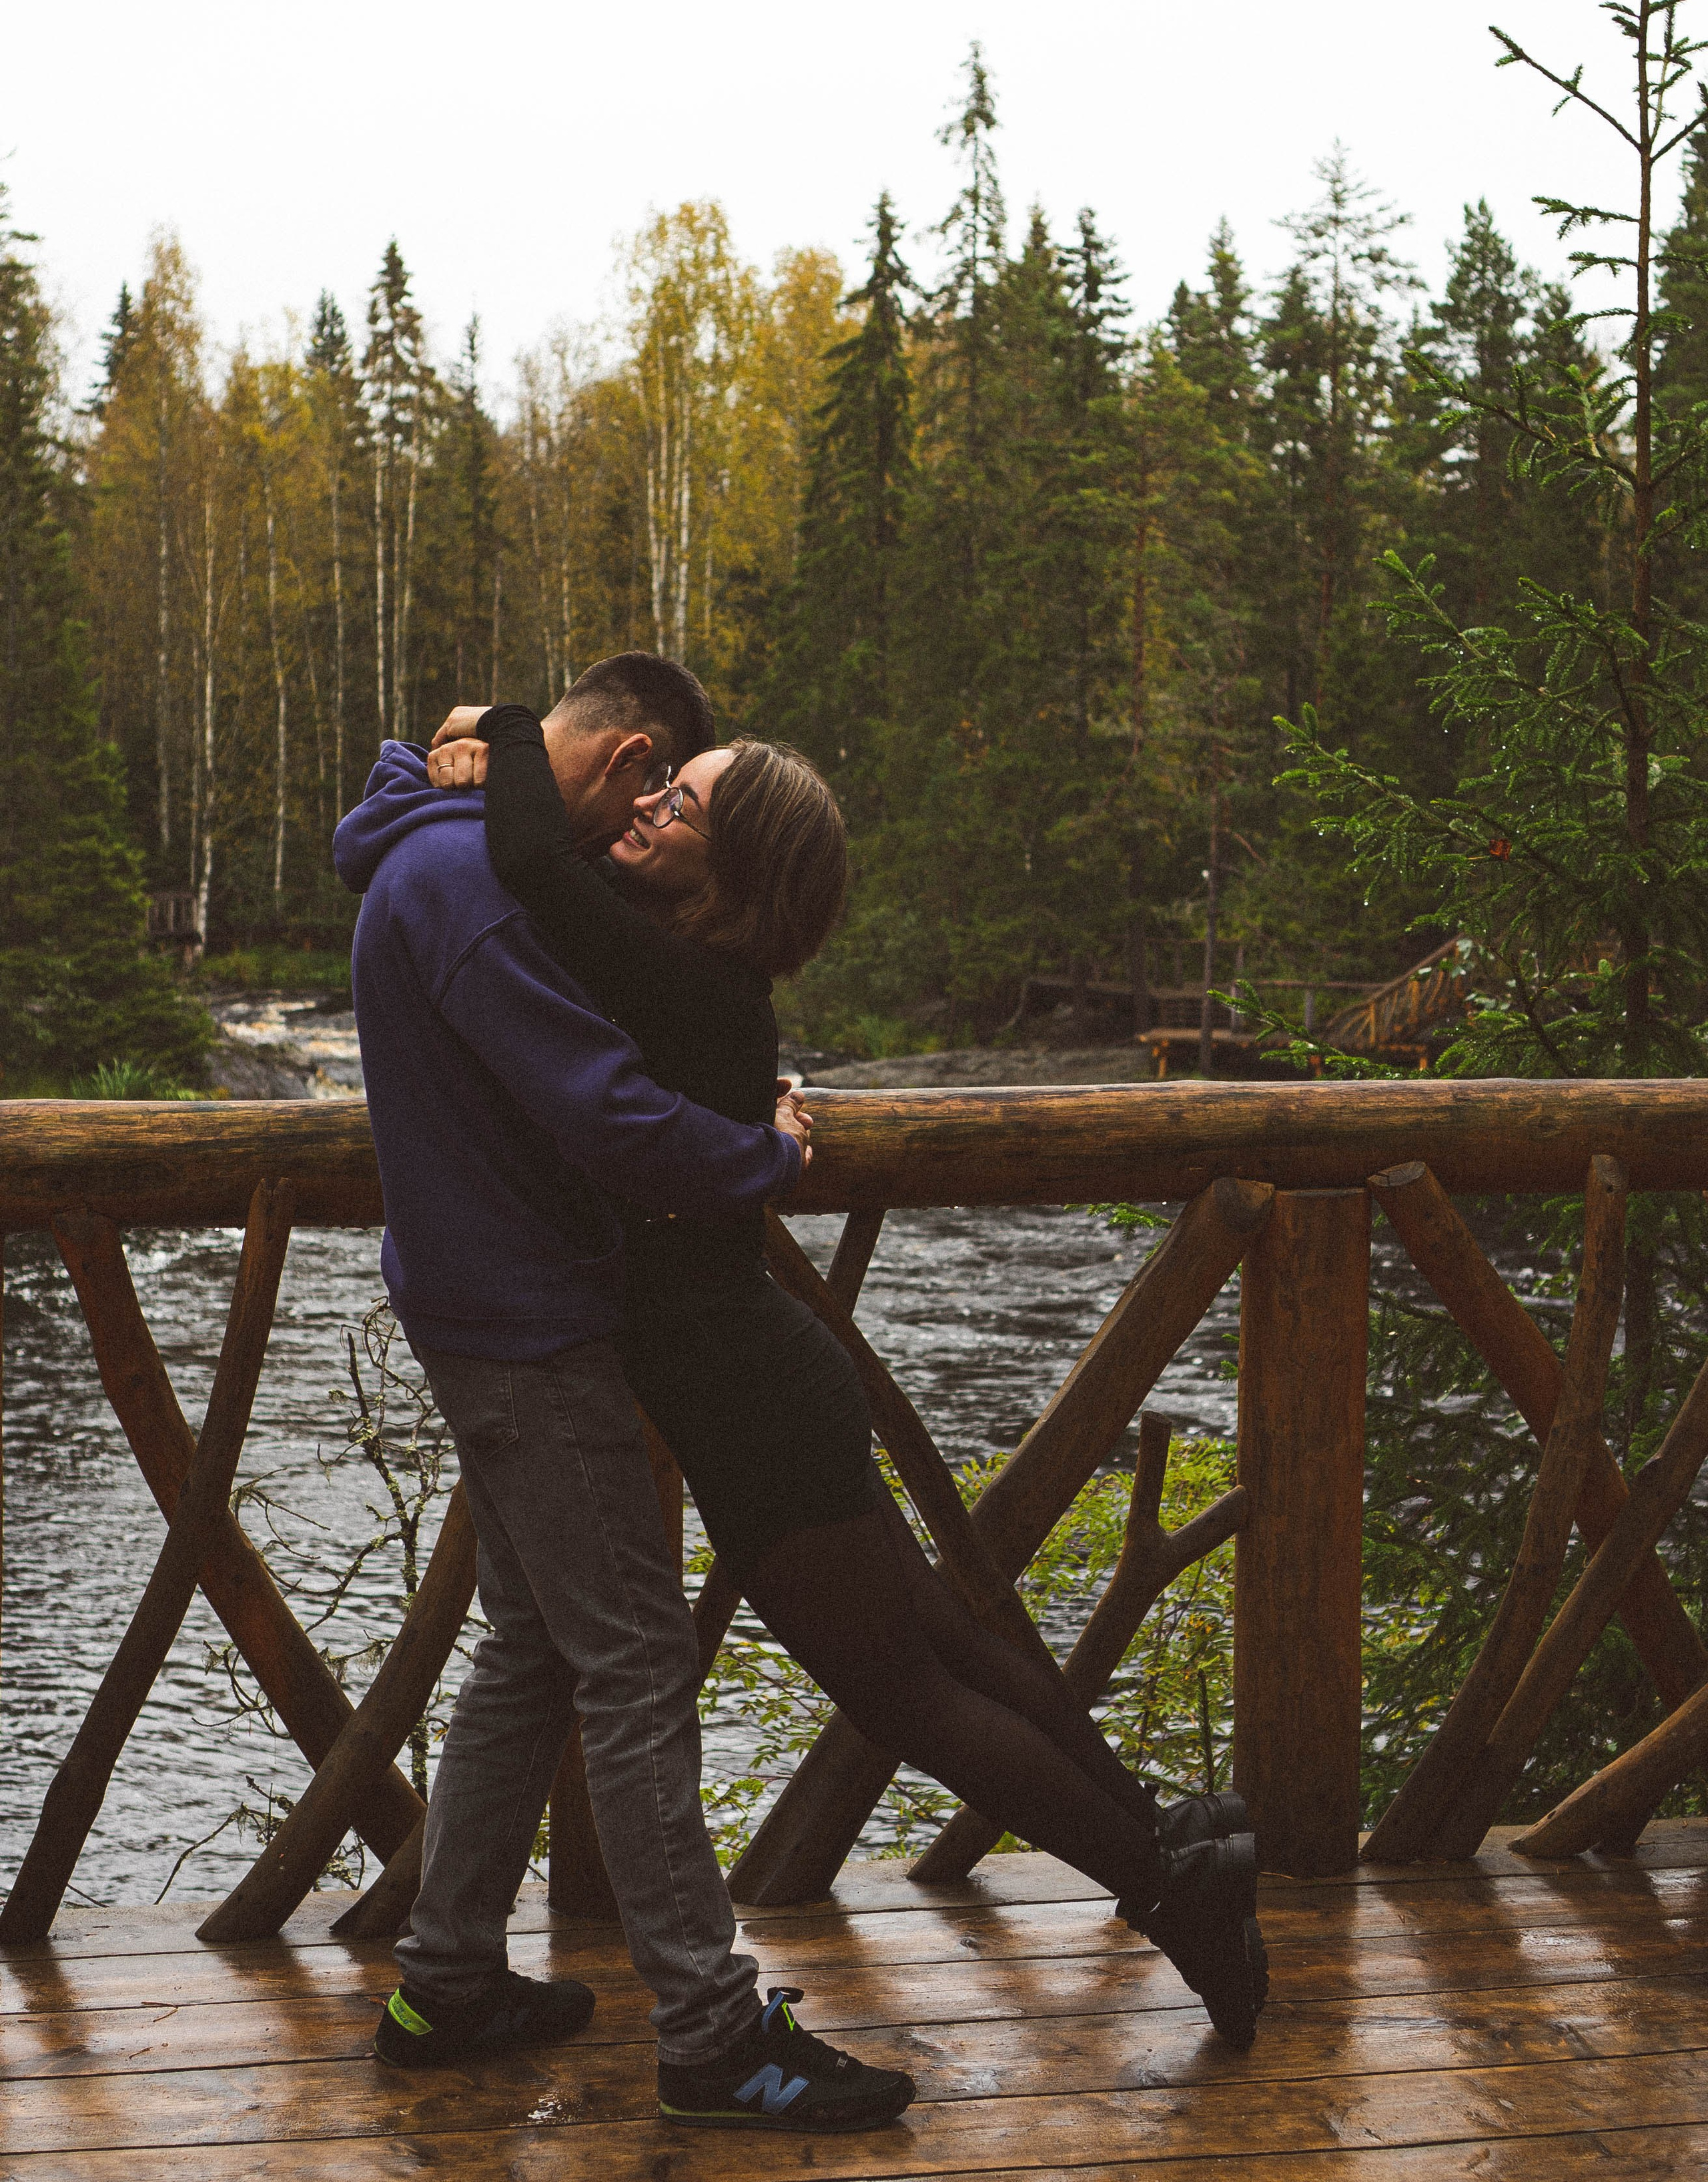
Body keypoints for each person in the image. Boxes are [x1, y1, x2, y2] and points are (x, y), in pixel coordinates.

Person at [424, 698, 1270, 2051]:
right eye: (655, 793)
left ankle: (1168, 1887)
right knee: (946, 1643)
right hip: (762, 1371)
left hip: (745, 1393)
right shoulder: (687, 971)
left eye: (679, 804)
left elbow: (530, 859)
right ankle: (1169, 1844)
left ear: (733, 875)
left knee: (907, 1692)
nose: (643, 807)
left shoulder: (673, 976)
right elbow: (558, 859)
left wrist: (506, 723)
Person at [334, 652, 917, 2135]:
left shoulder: (434, 845)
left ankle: (448, 1978)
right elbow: (604, 1110)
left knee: (534, 1645)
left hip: (480, 1300)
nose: (631, 831)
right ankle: (715, 2038)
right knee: (636, 1667)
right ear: (623, 757)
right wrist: (767, 1157)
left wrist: (448, 750)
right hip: (525, 1322)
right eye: (646, 796)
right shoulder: (469, 886)